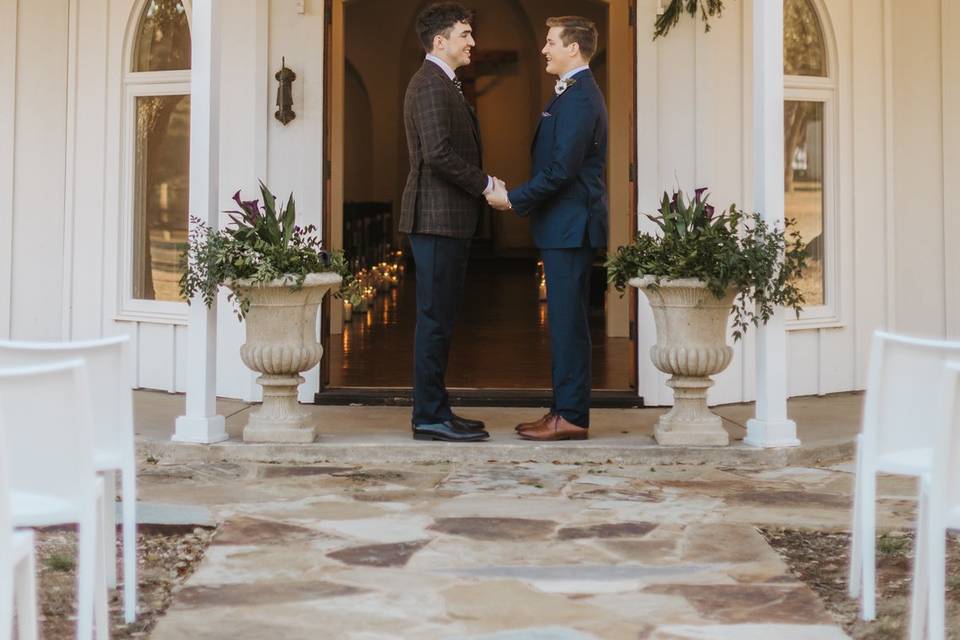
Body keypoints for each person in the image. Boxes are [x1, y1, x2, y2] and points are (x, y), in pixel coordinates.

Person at [486, 16, 608, 442]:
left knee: (568, 324)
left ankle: (571, 416)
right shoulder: (572, 95)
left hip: (571, 227)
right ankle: (563, 409)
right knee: (563, 322)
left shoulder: (578, 99)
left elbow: (561, 171)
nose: (544, 49)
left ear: (573, 48)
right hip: (564, 226)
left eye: (551, 41)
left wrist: (513, 198)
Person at [399, 2, 500, 442]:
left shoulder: (445, 83)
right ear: (440, 41)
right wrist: (485, 185)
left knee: (441, 318)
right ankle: (428, 417)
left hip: (448, 221)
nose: (472, 41)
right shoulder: (428, 84)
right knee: (434, 320)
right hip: (435, 219)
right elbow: (437, 154)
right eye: (464, 33)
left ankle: (438, 409)